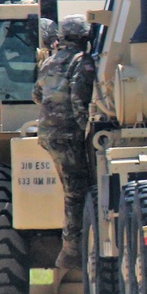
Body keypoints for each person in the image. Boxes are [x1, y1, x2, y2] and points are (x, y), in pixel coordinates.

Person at [32, 14, 95, 270]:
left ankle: (72, 248)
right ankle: (70, 252)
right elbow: (79, 99)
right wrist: (85, 131)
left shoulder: (49, 62)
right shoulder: (81, 61)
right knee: (75, 191)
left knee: (72, 187)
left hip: (49, 134)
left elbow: (37, 94)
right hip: (69, 135)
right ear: (83, 37)